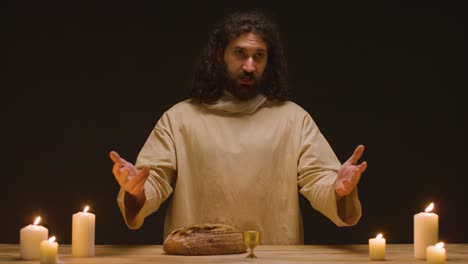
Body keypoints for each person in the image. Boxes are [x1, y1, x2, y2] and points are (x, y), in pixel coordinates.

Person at [109, 8, 367, 245]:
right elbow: (152, 181)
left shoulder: (293, 119)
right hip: (199, 257)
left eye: (259, 56)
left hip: (272, 257)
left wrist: (338, 190)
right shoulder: (179, 119)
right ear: (220, 55)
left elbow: (319, 178)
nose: (249, 66)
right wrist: (137, 191)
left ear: (269, 62)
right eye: (240, 53)